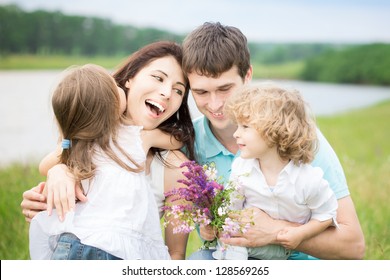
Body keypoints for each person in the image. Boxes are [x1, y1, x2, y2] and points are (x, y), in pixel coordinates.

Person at [182, 22, 365, 260]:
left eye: (225, 88)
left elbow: (354, 247)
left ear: (247, 76)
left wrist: (276, 231)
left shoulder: (295, 135)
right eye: (201, 93)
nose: (215, 104)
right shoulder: (188, 143)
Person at [22, 41, 195, 260]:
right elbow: (54, 160)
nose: (167, 93)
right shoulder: (92, 134)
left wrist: (151, 136)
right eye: (158, 78)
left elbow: (176, 253)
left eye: (179, 90)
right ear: (130, 78)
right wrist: (59, 171)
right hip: (77, 243)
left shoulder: (174, 166)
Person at [211, 84, 338, 260]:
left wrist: (299, 234)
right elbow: (232, 207)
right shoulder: (242, 167)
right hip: (246, 246)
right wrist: (215, 222)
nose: (236, 134)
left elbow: (326, 215)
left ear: (275, 131)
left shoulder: (307, 179)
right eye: (237, 126)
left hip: (287, 252)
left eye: (245, 126)